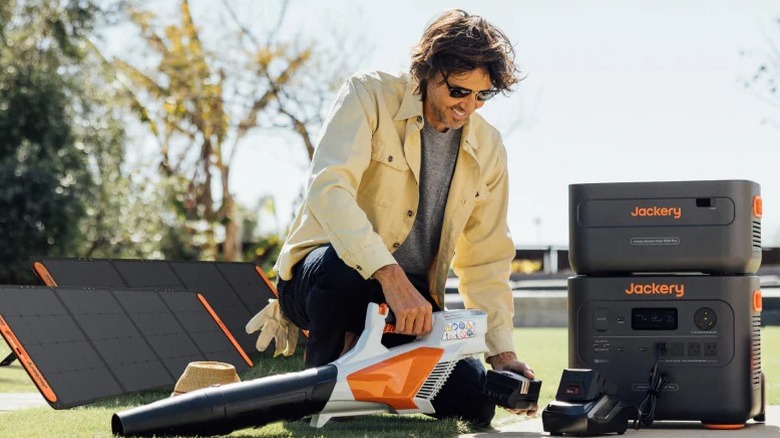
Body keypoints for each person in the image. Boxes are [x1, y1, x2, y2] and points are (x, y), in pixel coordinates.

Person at [247, 8, 535, 427]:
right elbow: (329, 191)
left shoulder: (489, 147)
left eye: (482, 96)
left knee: (475, 399)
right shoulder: (369, 95)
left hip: (409, 304)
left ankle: (370, 364)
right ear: (428, 70)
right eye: (458, 91)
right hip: (325, 277)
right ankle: (323, 386)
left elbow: (486, 259)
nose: (468, 107)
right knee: (344, 271)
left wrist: (504, 356)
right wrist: (390, 276)